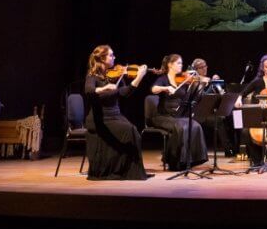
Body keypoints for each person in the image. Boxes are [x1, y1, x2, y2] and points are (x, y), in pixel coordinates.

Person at [82, 44, 153, 180]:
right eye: (111, 55)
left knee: (133, 131)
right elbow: (89, 91)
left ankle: (127, 170)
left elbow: (124, 93)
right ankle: (118, 170)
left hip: (115, 115)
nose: (114, 57)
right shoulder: (92, 76)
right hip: (100, 118)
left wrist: (139, 77)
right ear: (102, 59)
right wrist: (104, 88)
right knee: (129, 131)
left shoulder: (115, 75)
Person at [150, 54, 208, 171]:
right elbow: (153, 89)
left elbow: (192, 93)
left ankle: (191, 161)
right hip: (163, 116)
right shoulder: (163, 79)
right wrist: (165, 88)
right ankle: (174, 161)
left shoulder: (182, 79)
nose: (181, 65)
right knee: (181, 127)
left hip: (178, 115)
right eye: (178, 63)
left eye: (181, 63)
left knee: (195, 125)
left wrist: (200, 84)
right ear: (170, 65)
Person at [190, 57, 235, 157]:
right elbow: (200, 98)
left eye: (205, 66)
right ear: (196, 70)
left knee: (228, 116)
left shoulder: (207, 80)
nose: (204, 68)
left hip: (206, 111)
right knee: (218, 120)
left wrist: (217, 85)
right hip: (195, 113)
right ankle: (228, 149)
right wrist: (211, 86)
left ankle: (233, 148)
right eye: (201, 67)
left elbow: (218, 96)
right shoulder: (194, 81)